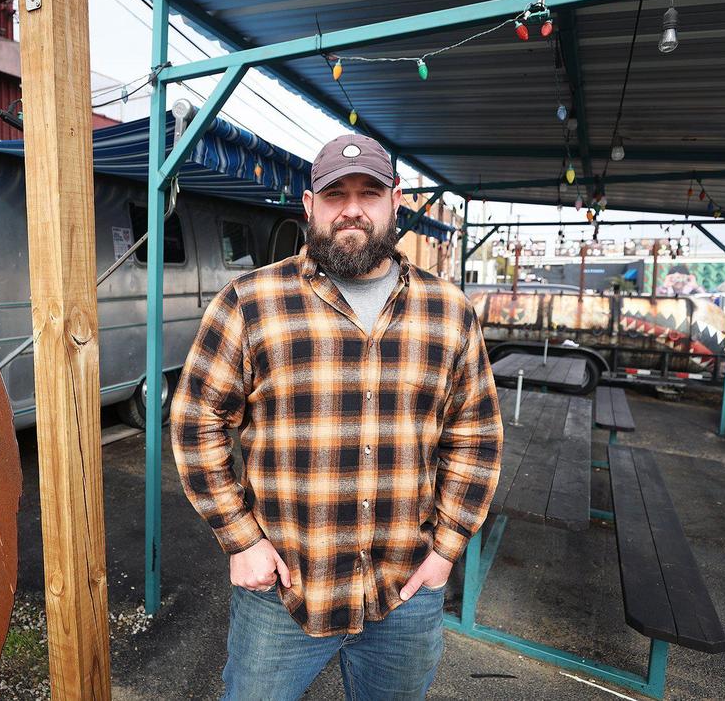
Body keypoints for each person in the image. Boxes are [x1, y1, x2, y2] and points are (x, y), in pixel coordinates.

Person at [171, 134, 504, 700]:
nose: (352, 208)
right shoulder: (251, 303)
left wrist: (447, 549)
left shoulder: (449, 312)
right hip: (284, 588)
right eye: (335, 194)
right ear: (309, 207)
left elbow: (474, 438)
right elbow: (196, 420)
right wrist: (240, 538)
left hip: (405, 590)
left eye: (369, 192)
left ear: (394, 201)